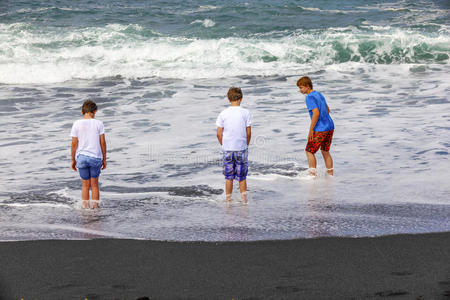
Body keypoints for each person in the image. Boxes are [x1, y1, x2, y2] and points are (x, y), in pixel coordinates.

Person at [216, 87, 252, 202]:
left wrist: (223, 144)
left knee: (228, 176)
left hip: (227, 149)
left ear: (228, 99)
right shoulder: (245, 112)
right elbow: (249, 132)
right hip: (241, 148)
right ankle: (244, 200)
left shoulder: (223, 113)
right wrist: (246, 144)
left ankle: (228, 200)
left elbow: (219, 133)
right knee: (242, 176)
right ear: (241, 99)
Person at [70, 100, 107, 208]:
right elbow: (103, 142)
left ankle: (86, 209)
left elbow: (74, 143)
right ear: (95, 111)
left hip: (81, 157)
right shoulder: (99, 123)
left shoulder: (76, 123)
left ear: (82, 112)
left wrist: (73, 159)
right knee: (94, 185)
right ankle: (95, 208)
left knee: (85, 186)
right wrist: (104, 159)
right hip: (95, 157)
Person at [297, 76, 334, 176]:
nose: (300, 90)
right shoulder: (319, 94)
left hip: (320, 128)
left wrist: (311, 129)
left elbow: (316, 113)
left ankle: (312, 176)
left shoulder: (309, 97)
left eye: (301, 87)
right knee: (325, 150)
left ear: (307, 86)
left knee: (309, 151)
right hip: (330, 126)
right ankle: (330, 174)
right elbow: (328, 109)